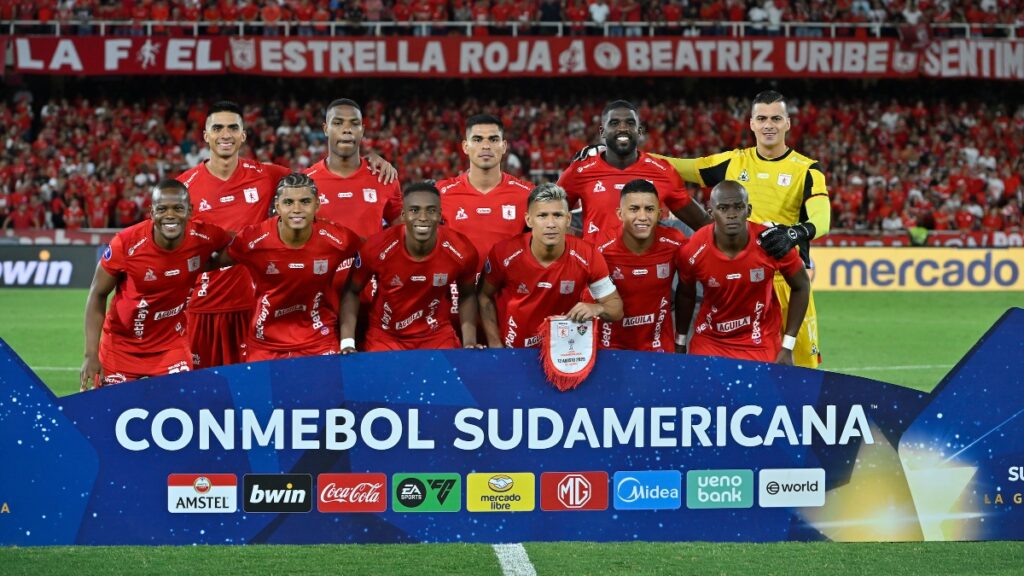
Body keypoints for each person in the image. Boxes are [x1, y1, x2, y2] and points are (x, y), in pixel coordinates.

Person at [178, 100, 395, 369]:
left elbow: (301, 188)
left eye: (233, 127)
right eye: (218, 128)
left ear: (243, 135)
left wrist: (369, 160)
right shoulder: (183, 189)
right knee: (206, 393)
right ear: (205, 135)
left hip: (261, 307)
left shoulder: (268, 175)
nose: (225, 135)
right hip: (206, 306)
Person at [652, 90, 829, 368]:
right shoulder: (732, 162)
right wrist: (620, 154)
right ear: (751, 124)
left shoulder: (807, 169)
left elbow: (822, 219)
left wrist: (793, 234)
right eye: (762, 118)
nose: (768, 124)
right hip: (743, 286)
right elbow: (674, 166)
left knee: (803, 369)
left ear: (788, 123)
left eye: (775, 118)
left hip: (785, 282)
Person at [80, 180, 230, 390]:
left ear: (190, 211)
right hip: (121, 348)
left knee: (182, 412)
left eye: (178, 208)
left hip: (170, 346)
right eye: (162, 209)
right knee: (109, 418)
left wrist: (207, 265)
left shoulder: (203, 236)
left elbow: (239, 246)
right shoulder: (126, 243)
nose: (170, 215)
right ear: (151, 212)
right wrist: (90, 354)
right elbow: (97, 294)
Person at [213, 173, 361, 362]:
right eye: (289, 202)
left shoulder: (338, 240)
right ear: (277, 207)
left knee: (326, 391)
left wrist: (347, 341)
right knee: (260, 392)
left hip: (318, 339)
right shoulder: (253, 240)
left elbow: (374, 255)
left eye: (305, 201)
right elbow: (209, 262)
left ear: (317, 205)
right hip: (265, 342)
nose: (297, 209)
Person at [676, 181, 810, 365]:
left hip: (760, 340)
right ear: (711, 213)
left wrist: (787, 346)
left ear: (748, 210)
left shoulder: (772, 243)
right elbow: (685, 294)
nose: (732, 215)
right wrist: (680, 342)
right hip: (710, 340)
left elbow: (801, 285)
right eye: (723, 208)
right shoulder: (693, 250)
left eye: (738, 207)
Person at [340, 182, 482, 352]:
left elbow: (467, 295)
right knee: (382, 379)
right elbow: (352, 290)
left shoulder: (461, 250)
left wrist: (469, 342)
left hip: (436, 335)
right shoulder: (376, 247)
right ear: (403, 215)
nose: (423, 217)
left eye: (431, 210)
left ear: (440, 215)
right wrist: (347, 343)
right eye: (414, 210)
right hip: (386, 336)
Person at [479, 183, 624, 348]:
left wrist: (597, 308)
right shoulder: (504, 253)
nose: (551, 224)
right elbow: (484, 296)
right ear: (529, 220)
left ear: (568, 219)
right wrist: (495, 343)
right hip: (514, 352)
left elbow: (616, 309)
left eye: (557, 215)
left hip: (565, 353)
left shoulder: (587, 255)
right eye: (542, 216)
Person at [558, 99, 710, 243]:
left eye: (630, 123)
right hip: (597, 269)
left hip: (648, 266)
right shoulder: (579, 171)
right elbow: (545, 215)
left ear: (639, 131)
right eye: (614, 123)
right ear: (602, 131)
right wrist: (581, 240)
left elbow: (703, 224)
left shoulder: (663, 171)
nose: (623, 128)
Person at [436, 113, 533, 333]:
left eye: (493, 139)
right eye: (478, 139)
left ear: (504, 146)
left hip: (509, 306)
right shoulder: (442, 194)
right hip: (456, 307)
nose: (486, 146)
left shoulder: (527, 194)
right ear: (465, 146)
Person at [596, 179, 687, 353]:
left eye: (650, 209)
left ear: (660, 214)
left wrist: (681, 340)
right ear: (620, 213)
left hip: (659, 348)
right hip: (610, 348)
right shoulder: (600, 250)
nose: (643, 217)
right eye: (634, 209)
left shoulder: (676, 242)